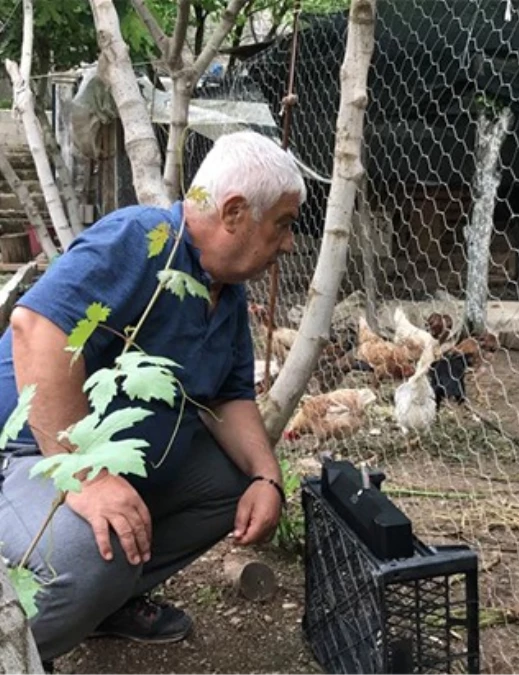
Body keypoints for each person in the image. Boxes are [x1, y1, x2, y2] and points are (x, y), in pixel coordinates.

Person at [0, 130, 304, 666]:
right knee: (93, 557)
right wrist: (85, 476)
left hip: (109, 456)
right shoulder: (143, 239)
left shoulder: (224, 291)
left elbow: (230, 396)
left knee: (228, 485)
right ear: (234, 212)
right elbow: (35, 328)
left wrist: (265, 476)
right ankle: (16, 652)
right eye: (282, 224)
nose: (289, 244)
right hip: (25, 453)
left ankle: (103, 606)